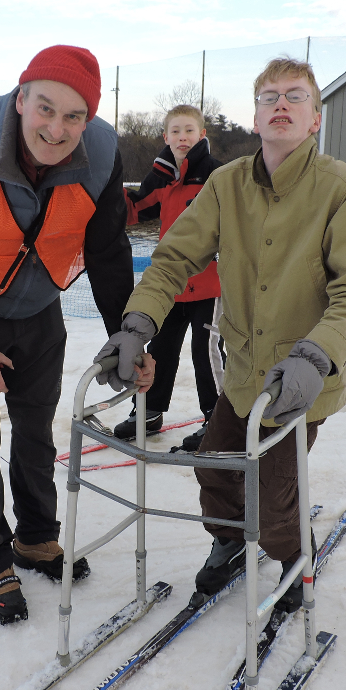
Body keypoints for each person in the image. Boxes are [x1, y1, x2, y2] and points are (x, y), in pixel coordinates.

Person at [95, 58, 346, 611]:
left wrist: (316, 354)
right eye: (270, 96)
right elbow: (173, 259)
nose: (281, 104)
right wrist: (137, 325)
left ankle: (293, 558)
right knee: (216, 467)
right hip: (245, 371)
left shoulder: (343, 189)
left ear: (315, 119)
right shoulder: (228, 184)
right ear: (254, 117)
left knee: (274, 498)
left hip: (301, 379)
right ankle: (229, 540)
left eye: (295, 96)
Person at [0, 45, 153, 625]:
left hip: (40, 312)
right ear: (20, 99)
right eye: (45, 108)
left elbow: (107, 249)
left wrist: (128, 338)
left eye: (74, 116)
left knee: (36, 431)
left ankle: (36, 537)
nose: (57, 128)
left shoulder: (99, 154)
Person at [113, 105, 224, 451]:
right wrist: (106, 189)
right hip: (172, 285)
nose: (182, 137)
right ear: (165, 137)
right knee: (159, 349)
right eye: (175, 131)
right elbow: (135, 209)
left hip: (211, 284)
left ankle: (218, 422)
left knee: (206, 352)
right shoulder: (161, 176)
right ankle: (148, 412)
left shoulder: (216, 175)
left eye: (189, 131)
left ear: (202, 135)